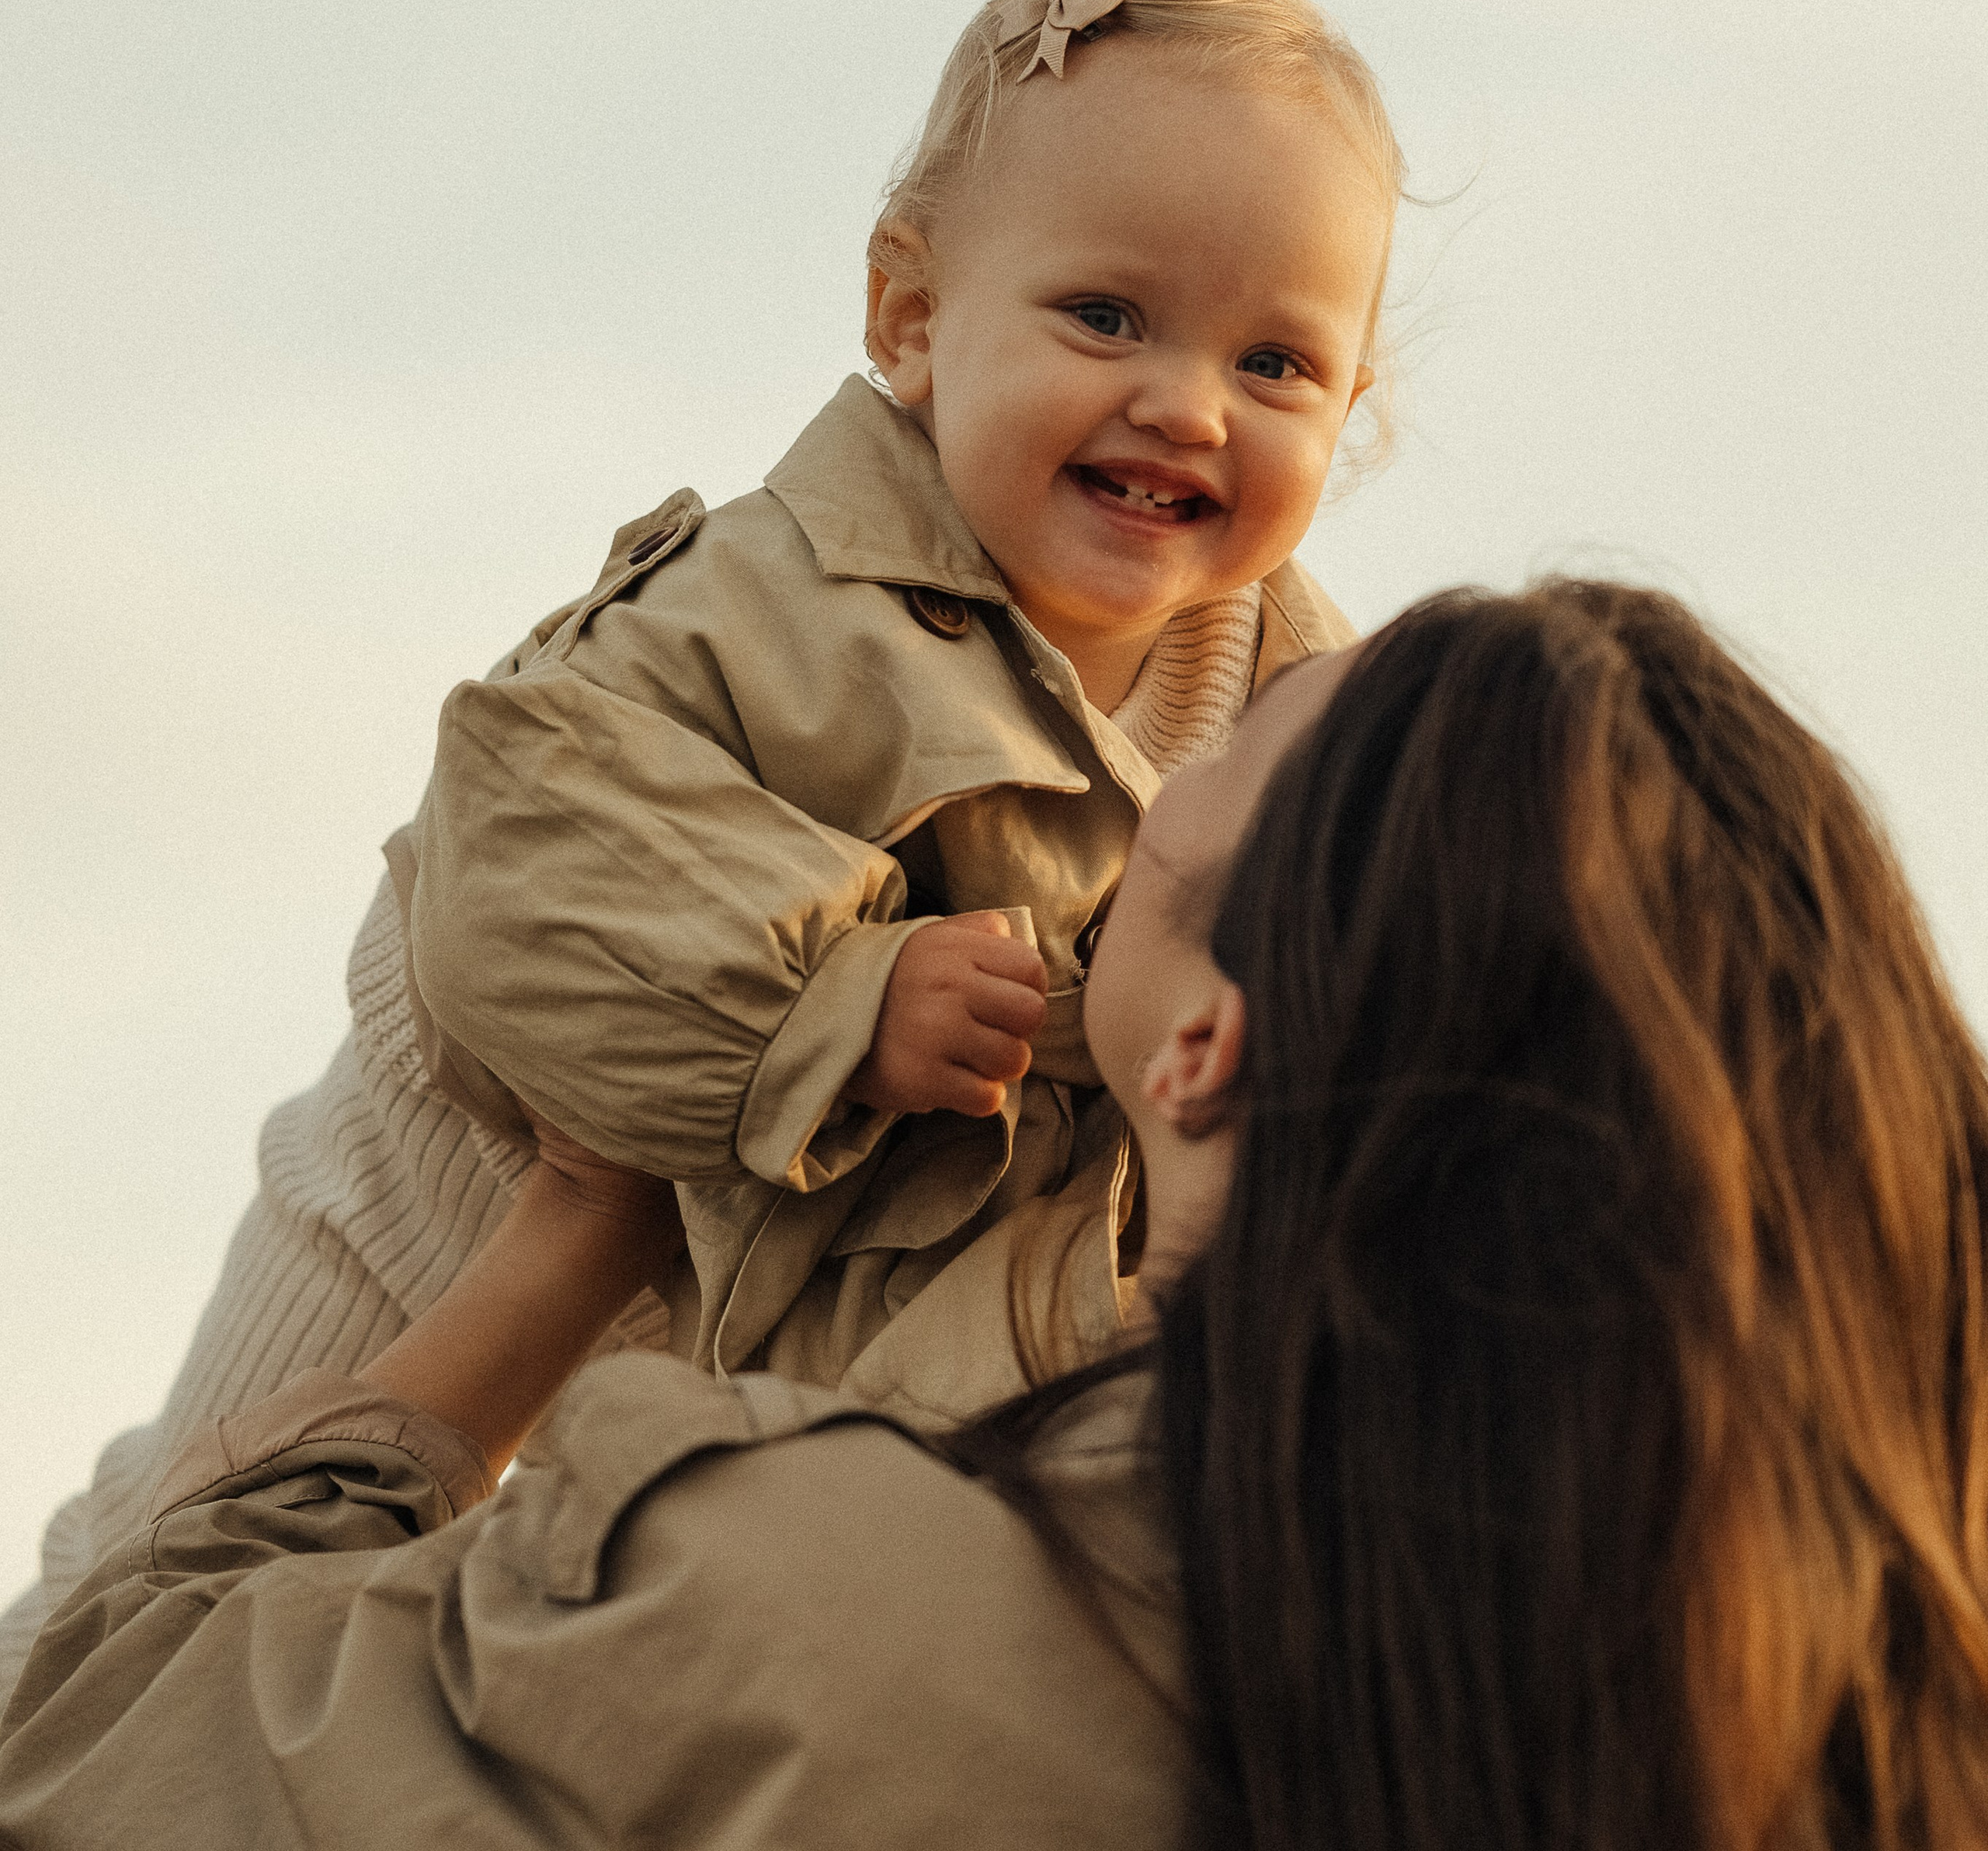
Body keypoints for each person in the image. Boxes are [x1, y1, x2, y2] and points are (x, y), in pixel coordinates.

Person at [8, 579, 1987, 1849]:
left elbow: (77, 1752)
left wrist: (548, 1246)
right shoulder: (1877, 1754)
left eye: (1235, 745)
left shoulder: (807, 1603)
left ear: (1206, 1045)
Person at [0, 0, 1402, 1691]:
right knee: (211, 1538)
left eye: (1273, 363)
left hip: (851, 1265)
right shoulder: (774, 586)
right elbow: (527, 829)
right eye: (1104, 316)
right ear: (911, 318)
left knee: (659, 1666)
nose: (1184, 400)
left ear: (1350, 409)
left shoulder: (1291, 694)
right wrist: (835, 996)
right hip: (497, 1154)